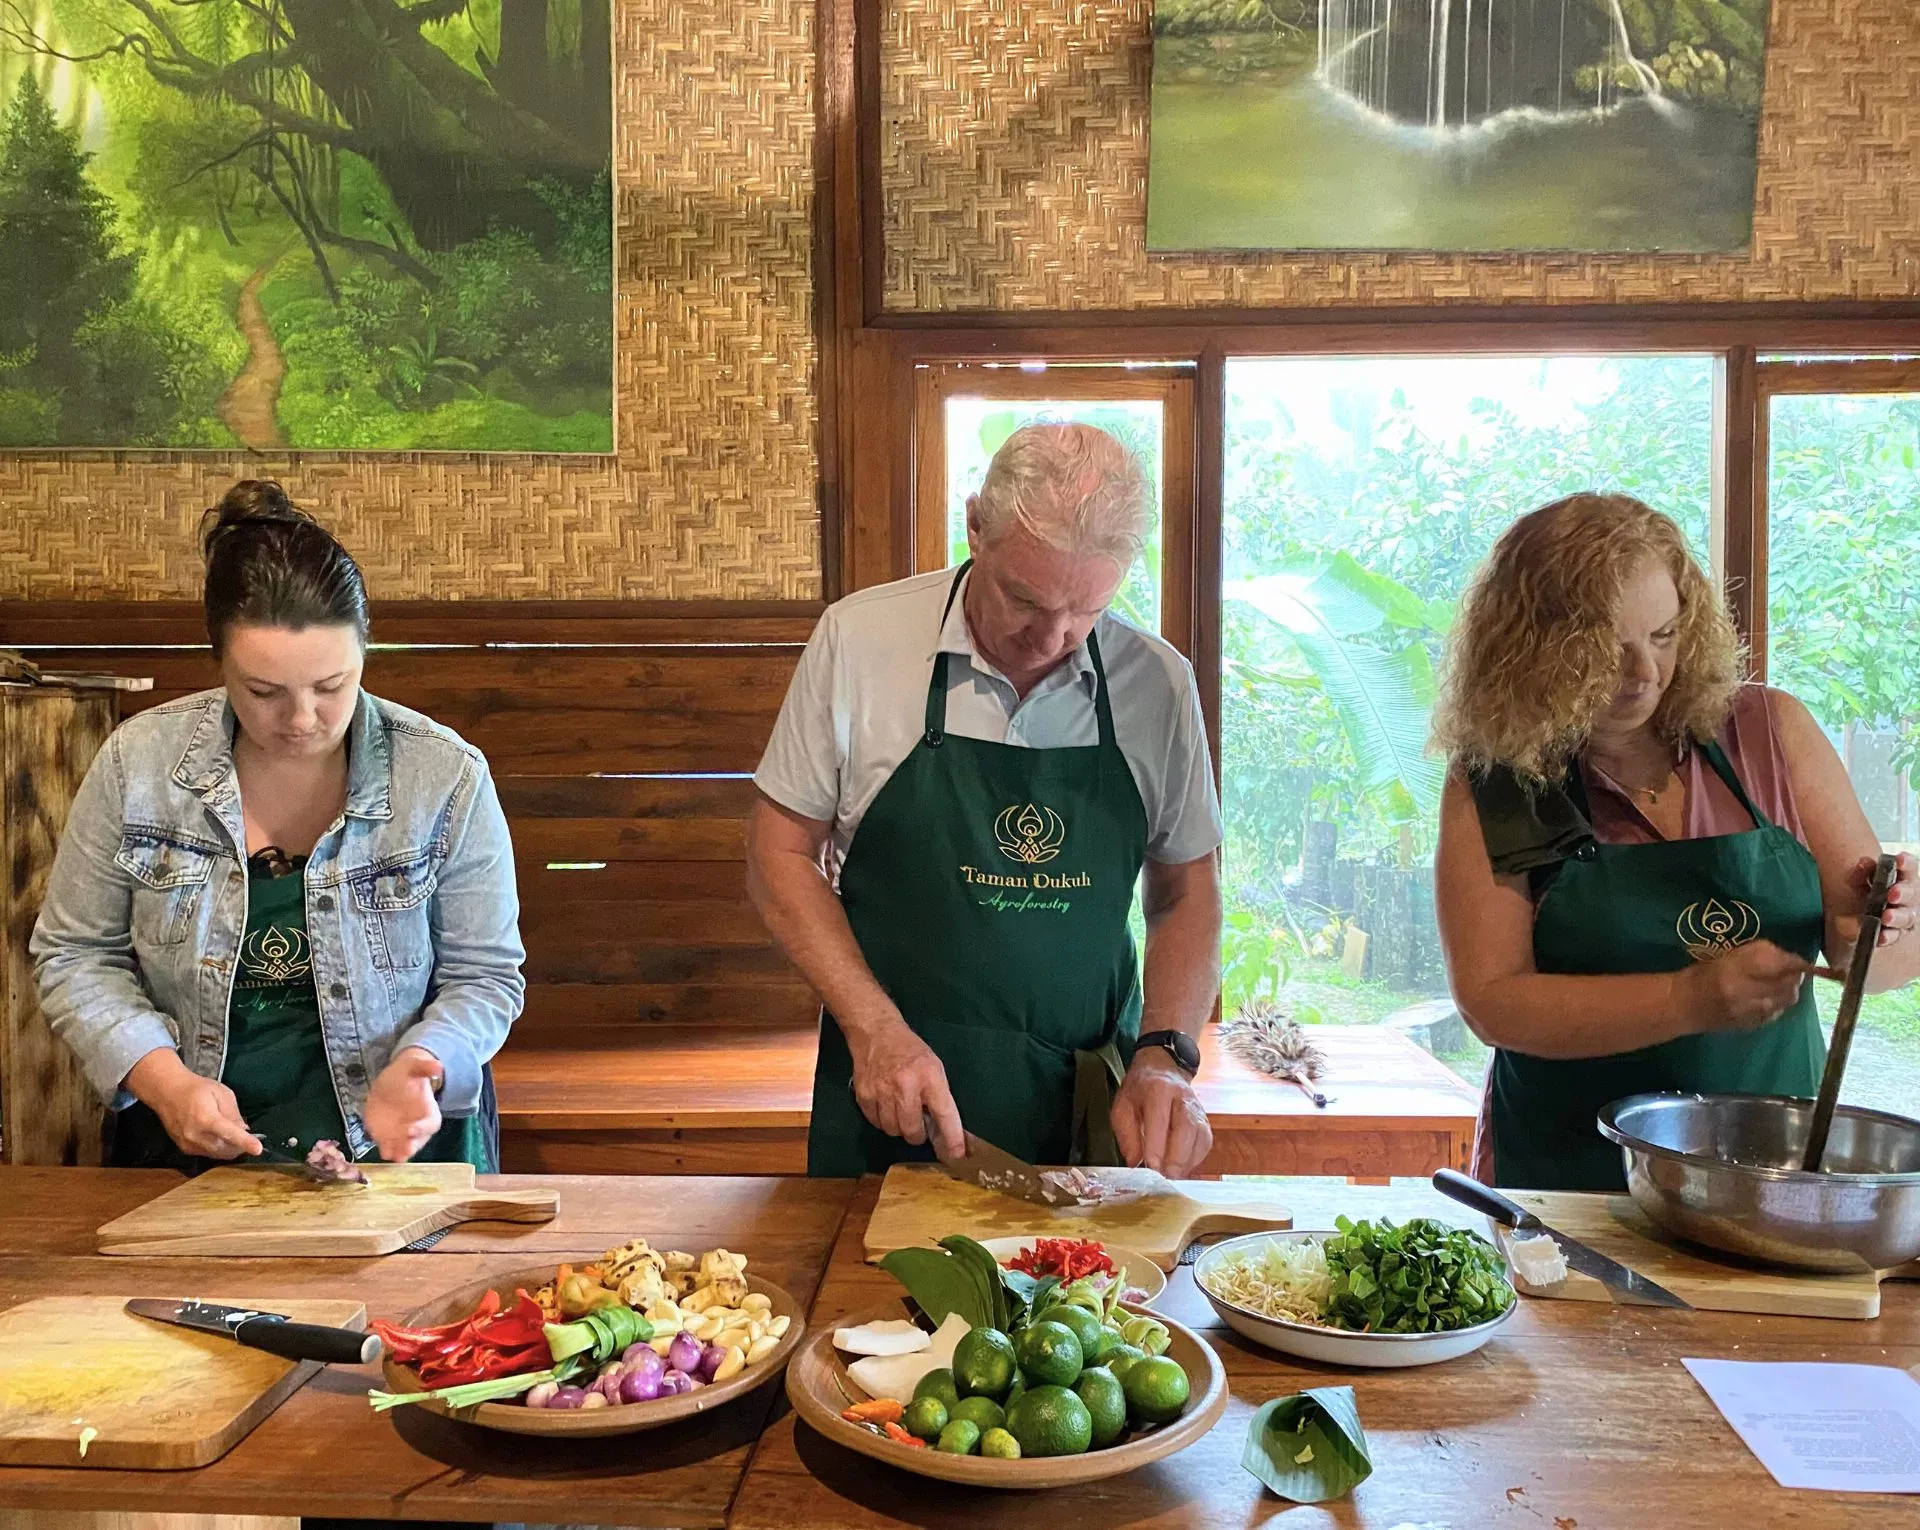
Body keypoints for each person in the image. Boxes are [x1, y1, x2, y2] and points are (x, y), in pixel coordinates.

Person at [748, 423, 1223, 1178]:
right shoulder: (861, 643)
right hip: (893, 1094)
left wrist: (1166, 1055)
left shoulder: (1156, 685)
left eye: (1087, 609)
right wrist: (872, 1027)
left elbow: (1189, 891)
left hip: (1088, 1109)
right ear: (974, 526)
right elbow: (778, 852)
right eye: (1025, 599)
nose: (1054, 635)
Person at [33, 481, 526, 1174]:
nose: (301, 719)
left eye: (332, 687)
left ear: (366, 651)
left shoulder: (444, 775)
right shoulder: (138, 765)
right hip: (189, 1153)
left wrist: (424, 1063)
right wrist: (164, 1083)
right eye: (263, 692)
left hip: (400, 1160)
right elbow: (75, 955)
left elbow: (486, 975)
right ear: (218, 663)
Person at [1433, 492, 1918, 1191]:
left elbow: (1871, 956)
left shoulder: (1769, 734)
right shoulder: (1505, 776)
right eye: (1606, 649)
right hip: (1570, 1182)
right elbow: (1491, 1000)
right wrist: (1688, 1000)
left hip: (1772, 1179)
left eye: (1662, 637)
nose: (1644, 675)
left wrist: (1888, 925)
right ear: (1532, 651)